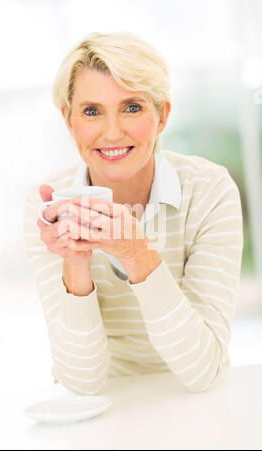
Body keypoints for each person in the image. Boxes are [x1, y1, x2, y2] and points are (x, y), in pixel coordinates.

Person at [24, 32, 243, 395]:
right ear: (69, 120)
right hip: (105, 404)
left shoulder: (209, 191)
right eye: (91, 111)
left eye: (132, 107)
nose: (112, 132)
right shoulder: (47, 206)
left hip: (195, 399)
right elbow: (82, 383)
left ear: (162, 116)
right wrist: (74, 260)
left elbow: (202, 371)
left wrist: (136, 253)